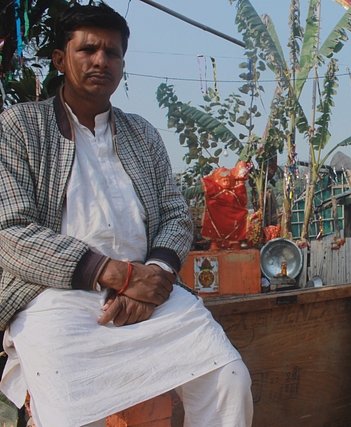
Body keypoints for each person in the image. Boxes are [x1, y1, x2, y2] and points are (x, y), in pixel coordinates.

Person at [0, 3, 253, 427]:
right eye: (88, 49)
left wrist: (149, 276)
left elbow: (176, 216)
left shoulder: (142, 133)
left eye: (113, 52)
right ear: (60, 58)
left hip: (150, 290)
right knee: (69, 412)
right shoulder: (19, 126)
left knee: (229, 379)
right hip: (55, 299)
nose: (101, 60)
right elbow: (9, 232)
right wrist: (112, 273)